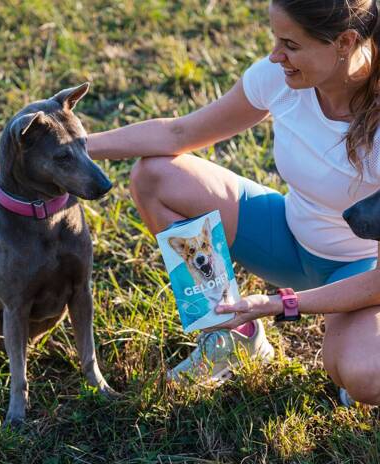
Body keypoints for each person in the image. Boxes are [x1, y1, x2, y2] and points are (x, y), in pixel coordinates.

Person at [88, 0, 380, 407]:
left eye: (291, 44)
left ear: (345, 41)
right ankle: (230, 334)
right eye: (275, 39)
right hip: (286, 236)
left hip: (360, 274)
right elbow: (178, 134)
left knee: (367, 376)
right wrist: (70, 147)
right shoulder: (279, 77)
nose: (276, 55)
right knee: (154, 177)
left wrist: (281, 304)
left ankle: (353, 345)